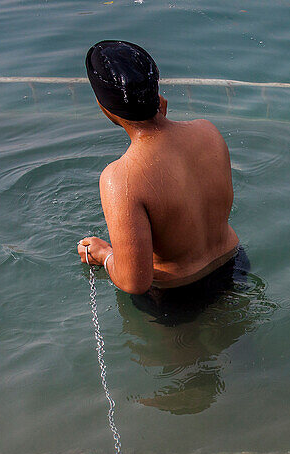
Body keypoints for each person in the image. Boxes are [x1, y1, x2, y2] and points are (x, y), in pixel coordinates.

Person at [76, 40, 240, 302]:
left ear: (103, 107)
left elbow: (134, 282)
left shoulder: (120, 178)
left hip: (176, 296)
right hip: (234, 264)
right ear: (157, 92)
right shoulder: (208, 132)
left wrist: (104, 254)